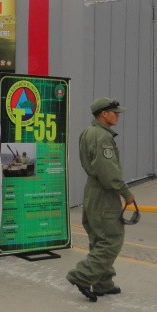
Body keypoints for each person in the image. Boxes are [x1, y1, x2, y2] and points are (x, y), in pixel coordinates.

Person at [66, 97, 136, 302]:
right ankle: (81, 276)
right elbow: (108, 173)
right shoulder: (102, 137)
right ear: (103, 114)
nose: (118, 116)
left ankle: (103, 283)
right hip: (104, 193)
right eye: (115, 113)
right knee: (111, 239)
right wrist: (125, 192)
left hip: (93, 191)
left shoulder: (89, 132)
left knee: (99, 239)